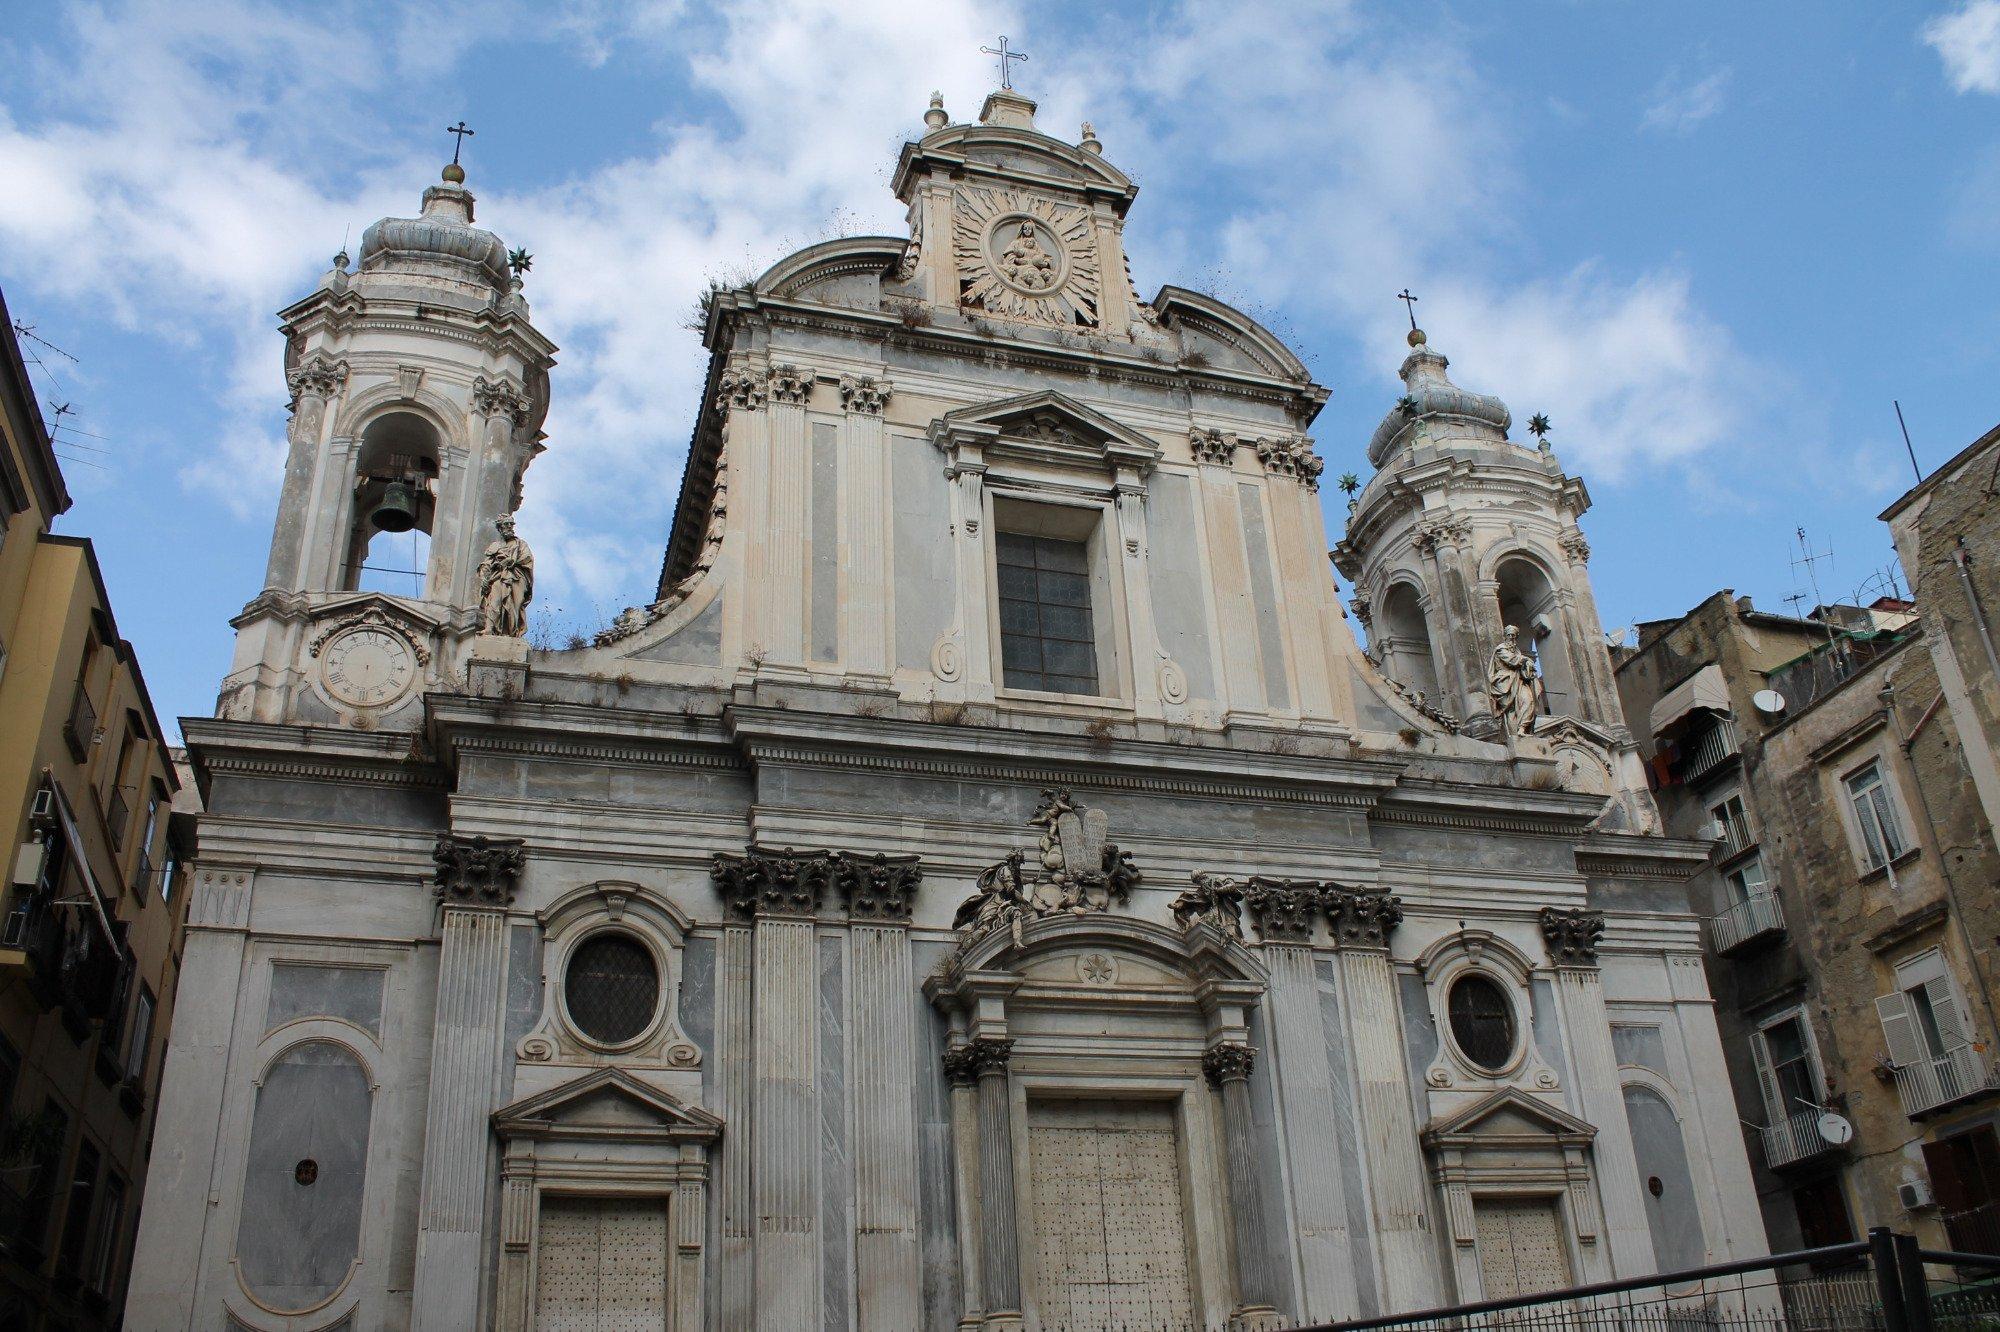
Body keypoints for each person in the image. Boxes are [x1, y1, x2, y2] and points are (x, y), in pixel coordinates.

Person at [478, 514, 534, 637]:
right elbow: (486, 564)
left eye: (511, 524)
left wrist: (512, 561)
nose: (509, 527)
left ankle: (510, 632)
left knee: (513, 605)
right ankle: (489, 629)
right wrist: (484, 578)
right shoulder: (495, 546)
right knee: (494, 601)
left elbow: (527, 558)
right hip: (498, 576)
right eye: (506, 524)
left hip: (515, 578)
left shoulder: (520, 544)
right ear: (500, 527)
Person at [1488, 625, 1543, 734]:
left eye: (1513, 635)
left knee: (1528, 700)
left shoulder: (1517, 651)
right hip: (1504, 682)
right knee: (1511, 712)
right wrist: (1526, 659)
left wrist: (1528, 668)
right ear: (1505, 636)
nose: (1511, 638)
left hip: (1518, 680)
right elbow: (1511, 660)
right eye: (1509, 635)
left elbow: (1519, 664)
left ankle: (1522, 728)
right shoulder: (1501, 649)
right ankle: (1513, 733)